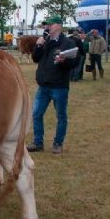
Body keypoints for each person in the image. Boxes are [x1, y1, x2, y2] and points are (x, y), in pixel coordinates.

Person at [27, 15, 79, 154]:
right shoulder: (45, 41)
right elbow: (35, 58)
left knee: (61, 116)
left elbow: (75, 62)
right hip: (43, 86)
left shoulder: (68, 43)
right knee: (36, 114)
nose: (47, 27)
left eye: (50, 24)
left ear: (59, 26)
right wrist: (38, 45)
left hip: (59, 86)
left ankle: (58, 143)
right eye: (46, 25)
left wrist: (64, 62)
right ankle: (38, 143)